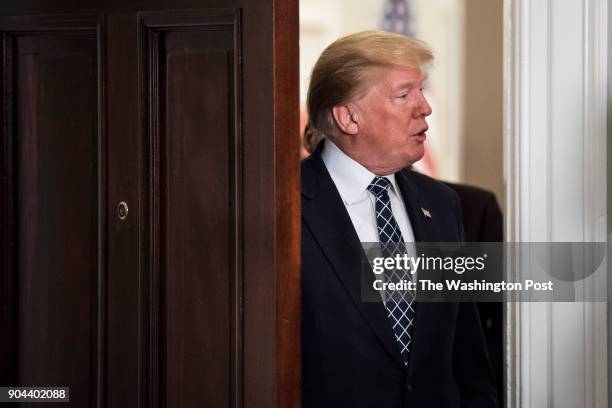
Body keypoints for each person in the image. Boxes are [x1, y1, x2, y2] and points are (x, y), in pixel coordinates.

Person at [301, 30, 498, 407]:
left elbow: (467, 353)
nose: (424, 107)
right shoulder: (284, 206)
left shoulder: (442, 204)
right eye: (404, 94)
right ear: (348, 117)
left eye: (421, 91)